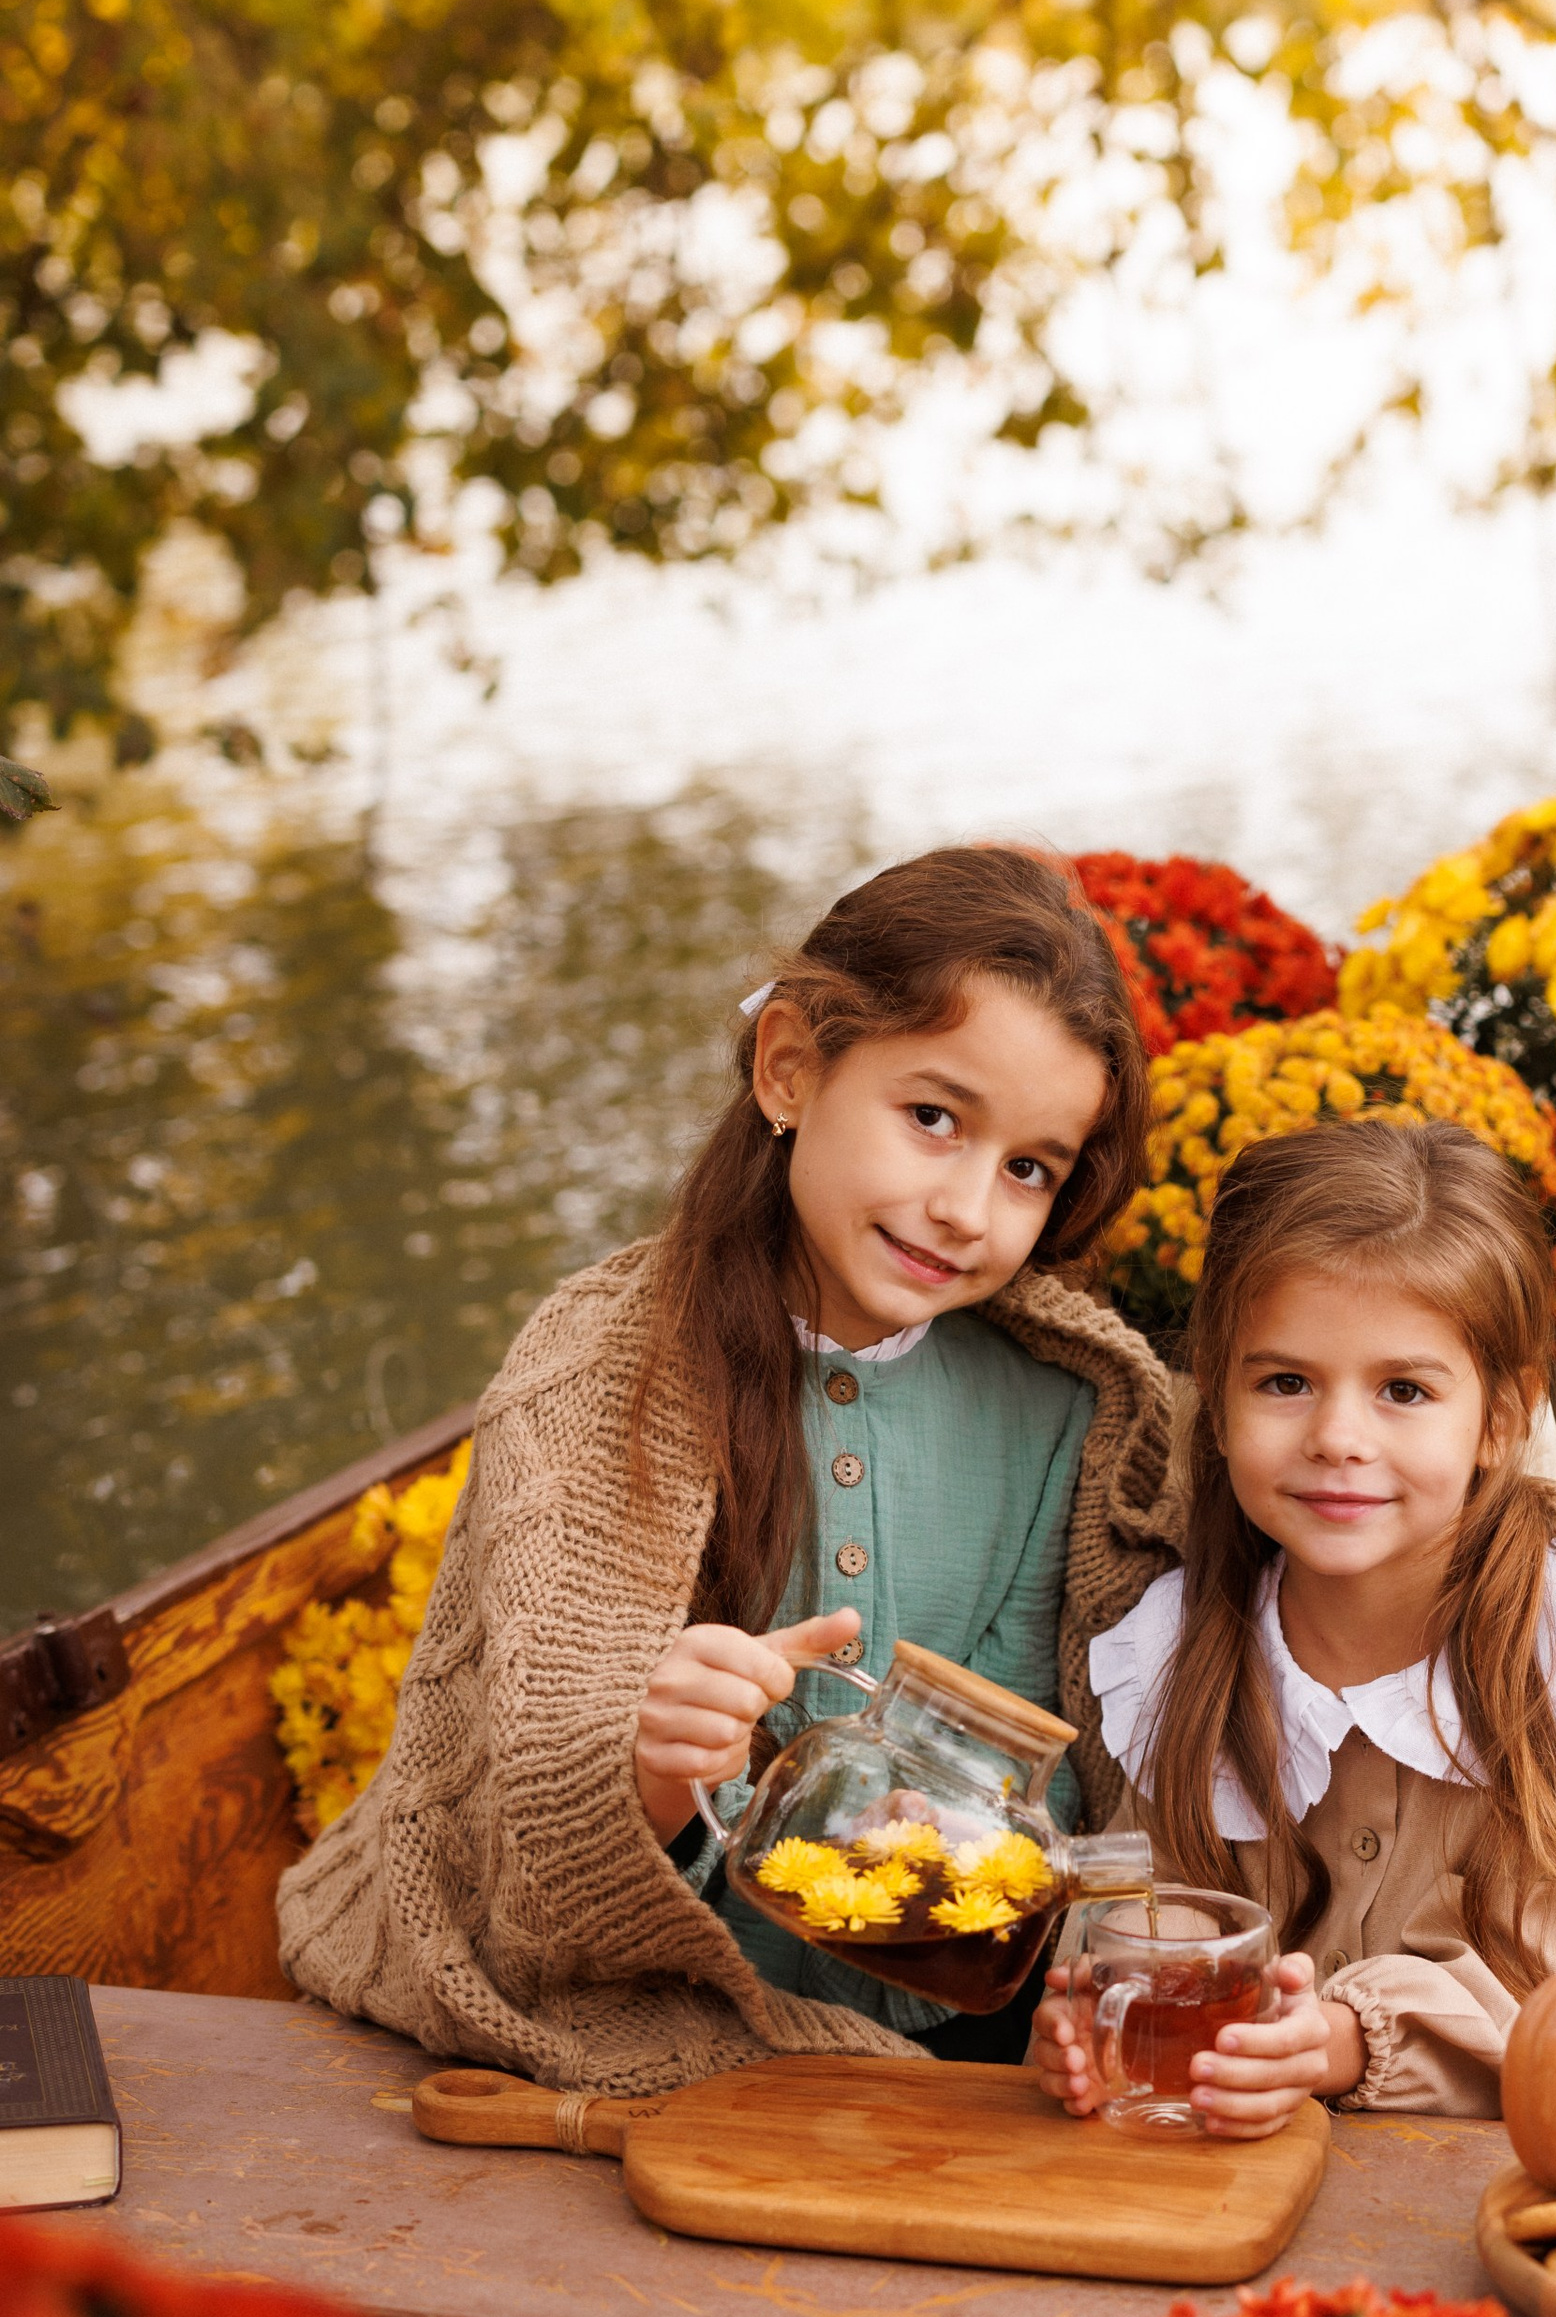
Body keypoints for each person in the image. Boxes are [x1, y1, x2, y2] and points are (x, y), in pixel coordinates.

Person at [279, 846, 1180, 2093]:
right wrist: (652, 1768)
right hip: (673, 2016)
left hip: (974, 2044)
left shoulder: (1069, 1404)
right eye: (933, 1117)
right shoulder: (597, 1375)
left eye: (1029, 1165)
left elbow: (1068, 1767)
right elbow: (522, 1831)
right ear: (791, 1069)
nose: (969, 1206)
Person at [1031, 1120, 1556, 2133]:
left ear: (1498, 1417)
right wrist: (1105, 2019)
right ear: (1217, 1403)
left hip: (1473, 2191)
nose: (1338, 1439)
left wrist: (1351, 2036)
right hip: (1221, 2181)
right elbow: (1155, 1903)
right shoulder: (1174, 1647)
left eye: (1403, 1390)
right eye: (1285, 1382)